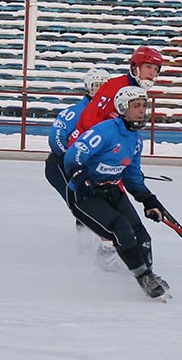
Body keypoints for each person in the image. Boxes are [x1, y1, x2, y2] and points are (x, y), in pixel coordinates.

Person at [64, 86, 170, 299]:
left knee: (141, 234)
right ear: (123, 108)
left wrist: (148, 200)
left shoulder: (136, 140)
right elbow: (73, 155)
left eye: (144, 106)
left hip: (111, 191)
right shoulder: (105, 131)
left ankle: (148, 274)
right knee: (120, 228)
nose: (142, 111)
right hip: (85, 195)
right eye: (136, 106)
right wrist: (79, 175)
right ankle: (144, 278)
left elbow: (131, 177)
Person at [69, 46, 163, 145]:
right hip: (88, 146)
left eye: (156, 69)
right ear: (135, 67)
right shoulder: (114, 87)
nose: (152, 73)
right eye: (148, 67)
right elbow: (90, 119)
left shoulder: (137, 91)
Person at [45, 67, 111, 204]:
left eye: (105, 86)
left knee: (98, 203)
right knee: (81, 202)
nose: (100, 90)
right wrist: (70, 160)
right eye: (96, 86)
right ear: (88, 87)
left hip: (89, 168)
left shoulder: (108, 115)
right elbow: (55, 136)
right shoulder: (76, 111)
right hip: (61, 166)